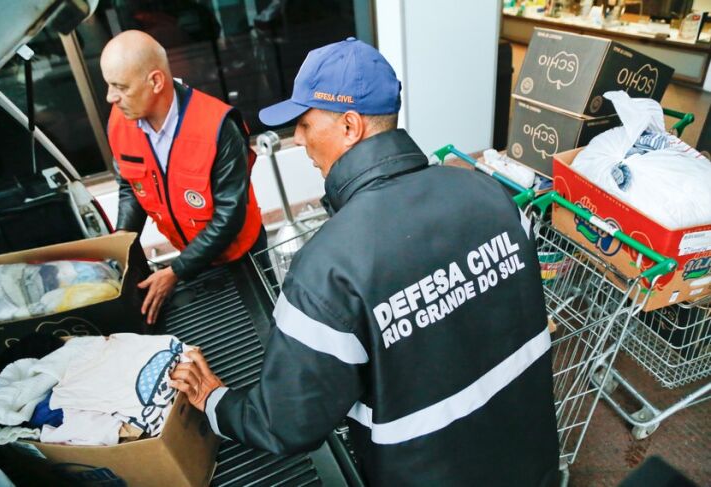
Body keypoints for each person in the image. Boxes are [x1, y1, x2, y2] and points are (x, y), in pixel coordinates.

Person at [171, 38, 560, 486]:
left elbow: (288, 423)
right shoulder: (492, 196)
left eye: (304, 122)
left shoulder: (327, 269)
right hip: (531, 462)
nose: (297, 138)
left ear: (350, 125)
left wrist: (216, 400)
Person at [101, 30, 265, 324]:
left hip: (241, 255)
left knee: (259, 327)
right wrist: (121, 242)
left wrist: (176, 271)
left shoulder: (218, 128)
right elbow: (130, 184)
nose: (110, 97)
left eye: (120, 87)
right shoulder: (120, 121)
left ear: (155, 81)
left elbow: (229, 216)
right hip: (187, 254)